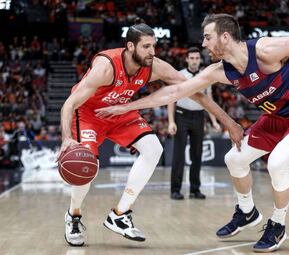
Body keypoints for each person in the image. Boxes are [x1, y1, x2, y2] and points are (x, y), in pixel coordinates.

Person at [94, 14, 289, 252]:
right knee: (234, 159)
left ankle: (278, 224)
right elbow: (174, 93)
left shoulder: (267, 50)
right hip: (280, 116)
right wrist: (126, 107)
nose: (203, 44)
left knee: (278, 163)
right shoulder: (220, 71)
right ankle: (247, 212)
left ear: (225, 38)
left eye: (207, 38)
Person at [58, 18, 243, 247]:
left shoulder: (154, 65)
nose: (152, 52)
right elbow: (70, 103)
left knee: (154, 148)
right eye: (146, 46)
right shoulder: (106, 67)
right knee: (86, 168)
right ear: (130, 46)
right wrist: (67, 138)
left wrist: (228, 122)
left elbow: (195, 91)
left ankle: (120, 214)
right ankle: (74, 215)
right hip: (88, 114)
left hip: (119, 113)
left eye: (154, 46)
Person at [168, 47, 221, 200]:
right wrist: (171, 121)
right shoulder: (180, 75)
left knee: (197, 155)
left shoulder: (206, 76)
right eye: (191, 58)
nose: (194, 61)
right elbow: (171, 98)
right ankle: (175, 190)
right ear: (187, 59)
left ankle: (194, 189)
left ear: (200, 59)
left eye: (197, 58)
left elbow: (209, 100)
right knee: (179, 155)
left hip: (198, 117)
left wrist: (214, 120)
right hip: (181, 115)